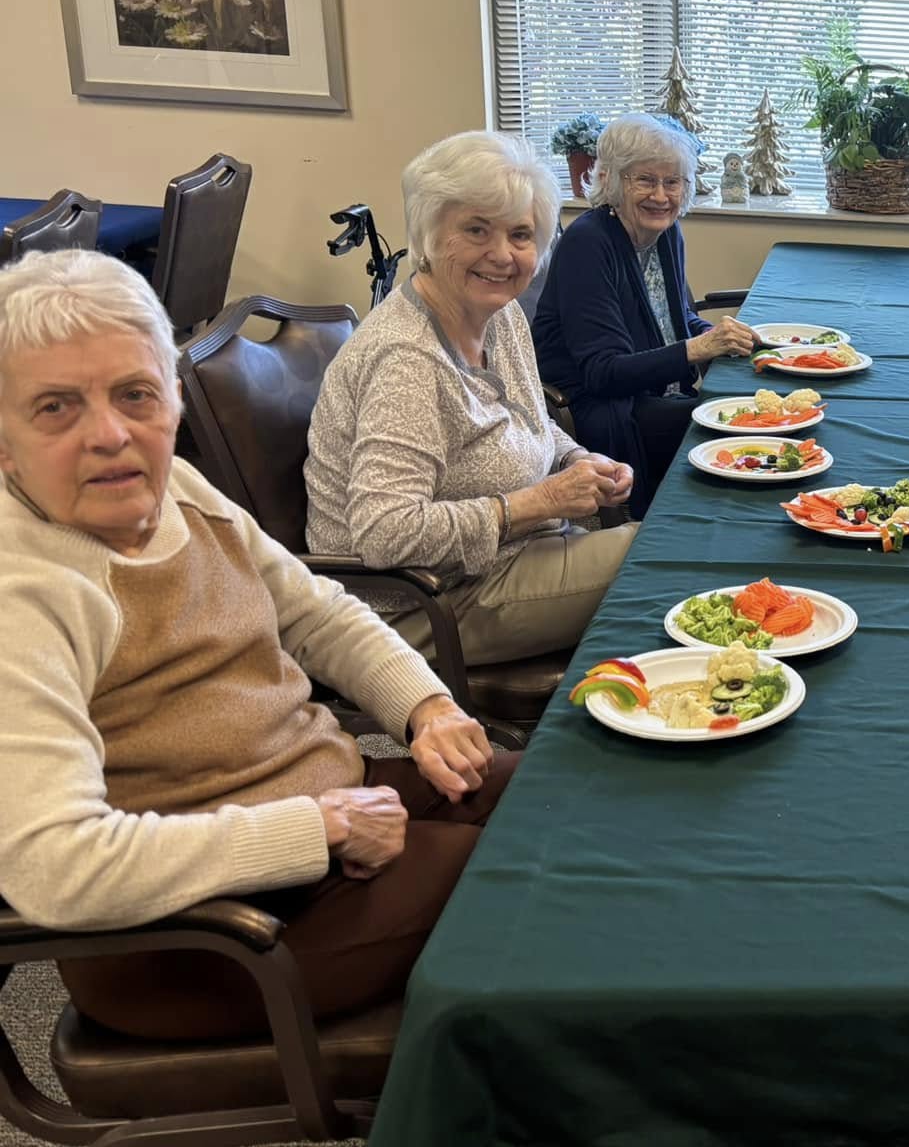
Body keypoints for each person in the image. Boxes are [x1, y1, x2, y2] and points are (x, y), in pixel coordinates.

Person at [0, 249, 514, 1041]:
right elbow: (55, 868)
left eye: (135, 394)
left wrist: (427, 708)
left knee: (567, 792)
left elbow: (316, 613)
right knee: (538, 874)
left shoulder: (176, 487)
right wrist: (315, 829)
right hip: (199, 940)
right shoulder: (24, 594)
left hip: (324, 806)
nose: (110, 434)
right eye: (55, 407)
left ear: (173, 398)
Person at [306, 130, 638, 664]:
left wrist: (576, 459)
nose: (502, 255)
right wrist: (541, 501)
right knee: (662, 558)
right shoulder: (407, 358)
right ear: (429, 232)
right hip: (423, 605)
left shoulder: (499, 314)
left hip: (515, 555)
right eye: (476, 230)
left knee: (671, 543)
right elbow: (383, 534)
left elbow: (525, 419)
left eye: (520, 234)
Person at [534, 113, 757, 518]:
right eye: (644, 180)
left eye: (672, 182)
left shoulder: (666, 232)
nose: (661, 195)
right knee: (739, 427)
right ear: (611, 182)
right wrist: (698, 348)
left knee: (759, 402)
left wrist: (722, 336)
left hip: (656, 393)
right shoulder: (588, 243)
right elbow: (603, 372)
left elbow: (678, 319)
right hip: (606, 406)